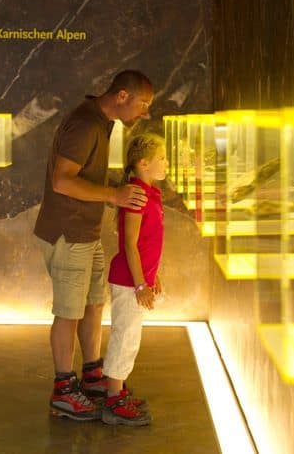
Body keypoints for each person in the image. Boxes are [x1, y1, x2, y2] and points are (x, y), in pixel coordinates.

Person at [34, 70, 154, 421]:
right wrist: (114, 195)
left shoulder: (102, 122)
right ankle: (63, 389)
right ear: (121, 96)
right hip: (68, 233)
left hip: (85, 232)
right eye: (142, 104)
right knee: (69, 312)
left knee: (92, 304)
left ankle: (91, 373)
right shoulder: (86, 125)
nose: (144, 112)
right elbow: (61, 181)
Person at [101, 132, 167, 426]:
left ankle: (118, 389)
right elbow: (129, 243)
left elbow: (148, 243)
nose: (166, 163)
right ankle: (113, 399)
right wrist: (141, 284)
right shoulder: (137, 194)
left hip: (139, 279)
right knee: (125, 337)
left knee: (131, 338)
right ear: (143, 163)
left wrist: (154, 276)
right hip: (129, 281)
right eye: (161, 159)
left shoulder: (150, 192)